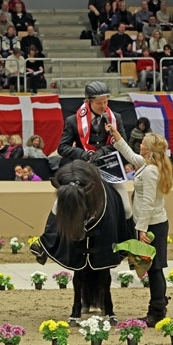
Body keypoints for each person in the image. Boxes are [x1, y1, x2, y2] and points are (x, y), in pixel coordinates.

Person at [105, 124, 173, 327]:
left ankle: (157, 311)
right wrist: (115, 135)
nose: (140, 144)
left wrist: (141, 229)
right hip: (149, 224)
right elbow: (129, 154)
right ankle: (158, 307)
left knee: (155, 268)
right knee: (153, 267)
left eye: (143, 143)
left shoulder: (151, 171)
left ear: (149, 149)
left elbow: (148, 203)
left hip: (152, 226)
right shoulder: (147, 164)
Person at [56, 80, 132, 219]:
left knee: (127, 209)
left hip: (108, 165)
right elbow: (62, 147)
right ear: (88, 101)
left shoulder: (116, 118)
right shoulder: (73, 120)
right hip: (83, 167)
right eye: (99, 103)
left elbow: (123, 143)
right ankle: (51, 237)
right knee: (58, 205)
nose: (103, 106)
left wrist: (103, 151)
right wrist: (83, 154)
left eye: (106, 102)